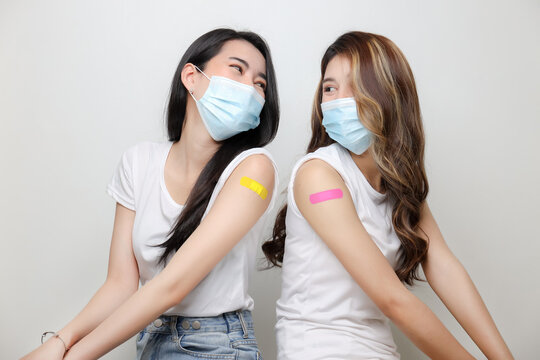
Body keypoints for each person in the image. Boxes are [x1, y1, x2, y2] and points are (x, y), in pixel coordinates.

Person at [22, 28, 280, 360]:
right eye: (237, 69)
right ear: (192, 76)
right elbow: (120, 285)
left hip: (217, 343)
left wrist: (76, 357)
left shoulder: (254, 169)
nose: (252, 88)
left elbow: (173, 285)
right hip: (150, 340)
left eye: (260, 83)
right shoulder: (138, 162)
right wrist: (58, 342)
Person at [262, 31, 513, 359]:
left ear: (388, 94)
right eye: (329, 88)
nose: (338, 100)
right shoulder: (318, 175)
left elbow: (446, 269)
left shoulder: (400, 188)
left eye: (355, 85)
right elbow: (393, 301)